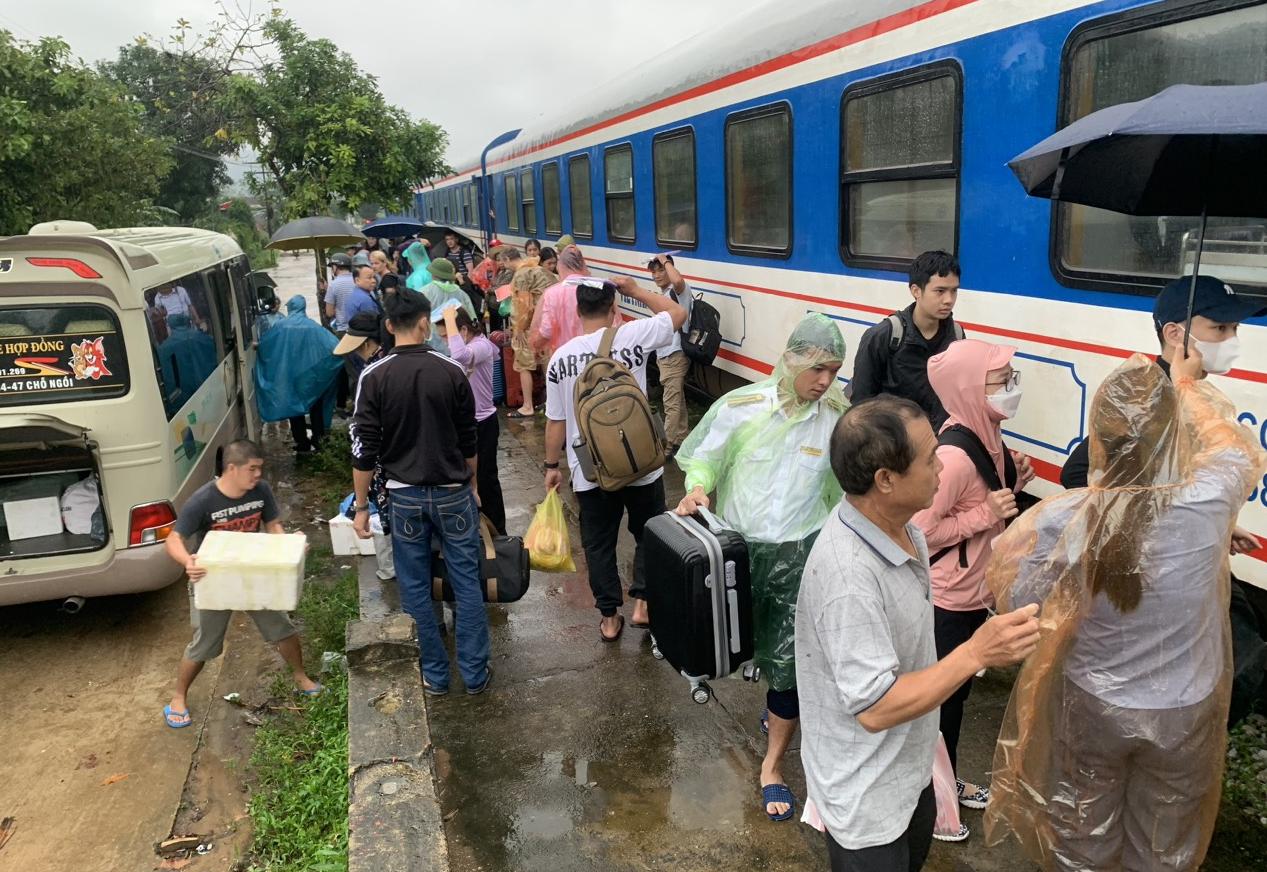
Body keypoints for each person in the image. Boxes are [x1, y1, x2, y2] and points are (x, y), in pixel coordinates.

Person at [983, 351, 1266, 872]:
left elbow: (1016, 601)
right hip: (1185, 707)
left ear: (1098, 440)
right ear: (1173, 436)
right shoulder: (1210, 503)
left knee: (1080, 831)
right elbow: (1234, 447)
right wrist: (1186, 385)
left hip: (1091, 702)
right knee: (1164, 844)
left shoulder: (1064, 519)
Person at [795, 396, 1041, 871]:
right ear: (885, 480)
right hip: (867, 799)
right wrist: (974, 653)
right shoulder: (848, 576)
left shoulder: (909, 532)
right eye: (930, 459)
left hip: (911, 773)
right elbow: (875, 706)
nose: (942, 469)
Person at [1058, 275, 1267, 726]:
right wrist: (1170, 525)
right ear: (1176, 334)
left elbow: (1172, 483)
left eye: (1235, 330)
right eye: (1220, 329)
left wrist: (1213, 524)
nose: (1232, 341)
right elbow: (1080, 475)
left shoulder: (1189, 392)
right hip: (1149, 582)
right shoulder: (1148, 394)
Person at [674, 313, 848, 822]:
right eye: (817, 369)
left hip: (799, 557)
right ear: (791, 359)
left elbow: (843, 490)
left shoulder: (836, 419)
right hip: (738, 552)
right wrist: (698, 487)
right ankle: (771, 702)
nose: (824, 382)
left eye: (833, 372)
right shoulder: (741, 406)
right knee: (735, 644)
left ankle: (772, 765)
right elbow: (703, 458)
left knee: (789, 665)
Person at [910, 339, 1034, 819]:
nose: (1011, 389)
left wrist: (1013, 483)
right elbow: (921, 530)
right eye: (1001, 381)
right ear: (967, 388)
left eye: (1010, 378)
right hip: (949, 598)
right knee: (943, 703)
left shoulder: (987, 436)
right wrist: (985, 513)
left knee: (956, 699)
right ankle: (935, 801)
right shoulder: (957, 455)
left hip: (972, 593)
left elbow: (987, 503)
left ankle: (945, 781)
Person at [351, 289, 491, 695]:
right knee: (466, 583)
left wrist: (361, 507)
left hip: (404, 498)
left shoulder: (373, 376)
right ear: (427, 323)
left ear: (390, 327)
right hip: (453, 493)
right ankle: (475, 674)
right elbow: (470, 441)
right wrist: (474, 486)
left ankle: (434, 675)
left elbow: (364, 450)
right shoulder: (450, 371)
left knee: (414, 588)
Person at [543, 277, 686, 639]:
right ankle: (643, 604)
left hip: (590, 470)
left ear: (578, 311)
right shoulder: (633, 335)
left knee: (599, 545)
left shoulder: (560, 359)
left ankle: (609, 619)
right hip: (640, 463)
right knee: (649, 534)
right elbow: (678, 312)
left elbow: (555, 421)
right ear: (613, 309)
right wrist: (635, 290)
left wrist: (550, 467)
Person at [163, 439, 322, 728]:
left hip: (254, 575)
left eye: (260, 469)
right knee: (204, 646)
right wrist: (188, 562)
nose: (258, 475)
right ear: (232, 468)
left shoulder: (260, 491)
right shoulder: (203, 500)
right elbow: (173, 539)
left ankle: (301, 677)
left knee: (282, 629)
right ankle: (178, 697)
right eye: (253, 469)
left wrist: (288, 546)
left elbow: (273, 525)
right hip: (214, 580)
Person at [850, 251, 966, 430]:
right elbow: (861, 406)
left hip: (939, 445)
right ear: (916, 291)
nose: (949, 300)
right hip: (895, 447)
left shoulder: (956, 336)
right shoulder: (882, 336)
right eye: (940, 291)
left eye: (954, 291)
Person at [436, 304, 506, 534]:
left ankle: (497, 532)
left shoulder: (481, 346)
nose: (448, 341)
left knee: (486, 480)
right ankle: (475, 528)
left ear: (463, 330)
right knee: (466, 479)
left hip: (483, 422)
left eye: (448, 335)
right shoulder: (470, 347)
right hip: (465, 423)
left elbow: (459, 356)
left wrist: (449, 318)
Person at [254, 295, 344, 454]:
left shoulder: (281, 326)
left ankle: (302, 442)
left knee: (294, 409)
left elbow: (267, 344)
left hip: (290, 377)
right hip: (311, 377)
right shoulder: (314, 327)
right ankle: (319, 440)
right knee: (315, 407)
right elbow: (335, 347)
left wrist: (257, 346)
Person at [533, 246, 622, 354]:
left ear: (560, 266)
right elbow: (615, 324)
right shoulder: (597, 287)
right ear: (582, 264)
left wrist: (535, 345)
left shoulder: (552, 293)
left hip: (566, 357)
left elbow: (546, 331)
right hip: (597, 355)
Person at [647, 253, 693, 455]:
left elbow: (678, 279)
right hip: (664, 354)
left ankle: (667, 445)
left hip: (675, 353)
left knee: (670, 401)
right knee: (677, 398)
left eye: (661, 270)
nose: (657, 275)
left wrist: (665, 259)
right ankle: (682, 436)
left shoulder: (679, 292)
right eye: (654, 272)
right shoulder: (664, 294)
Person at [507, 263, 555, 420]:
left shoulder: (521, 274)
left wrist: (519, 328)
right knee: (547, 363)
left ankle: (527, 406)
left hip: (532, 326)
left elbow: (524, 305)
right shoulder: (541, 270)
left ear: (507, 260)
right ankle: (552, 402)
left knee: (524, 365)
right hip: (549, 324)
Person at [157, 313, 217, 413]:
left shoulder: (164, 349)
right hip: (209, 393)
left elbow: (167, 381)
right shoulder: (205, 338)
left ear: (170, 327)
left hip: (183, 405)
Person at [324, 253, 357, 331]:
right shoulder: (358, 280)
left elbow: (329, 313)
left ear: (335, 267)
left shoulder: (333, 285)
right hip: (361, 327)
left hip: (343, 329)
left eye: (332, 267)